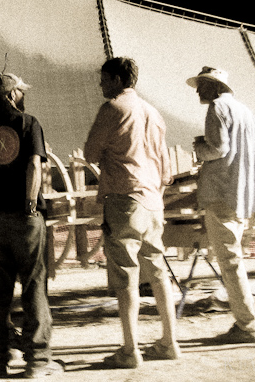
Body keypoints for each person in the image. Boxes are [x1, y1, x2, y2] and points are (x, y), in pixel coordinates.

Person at [84, 57, 179, 368]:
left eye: (103, 79)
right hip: (153, 199)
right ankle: (169, 341)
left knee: (125, 276)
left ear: (115, 79)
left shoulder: (113, 108)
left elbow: (90, 153)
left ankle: (130, 349)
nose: (100, 85)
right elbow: (166, 167)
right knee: (158, 271)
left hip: (124, 197)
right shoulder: (153, 112)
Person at [0, 72, 61, 378]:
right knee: (33, 286)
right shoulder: (29, 123)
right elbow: (34, 164)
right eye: (18, 91)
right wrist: (31, 204)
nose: (21, 95)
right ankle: (37, 361)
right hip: (26, 219)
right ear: (10, 96)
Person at [187, 66, 255, 344]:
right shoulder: (245, 111)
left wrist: (199, 148)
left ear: (213, 86)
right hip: (242, 196)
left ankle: (247, 325)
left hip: (221, 195)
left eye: (201, 85)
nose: (197, 90)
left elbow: (218, 149)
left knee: (230, 263)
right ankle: (246, 322)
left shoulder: (217, 108)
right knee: (233, 260)